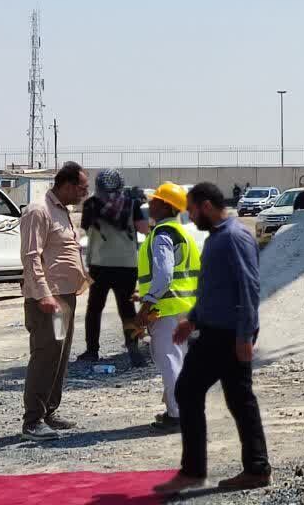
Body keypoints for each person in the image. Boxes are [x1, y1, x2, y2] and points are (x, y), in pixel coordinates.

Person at [155, 183, 271, 494]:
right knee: (236, 398)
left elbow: (249, 288)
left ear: (206, 205)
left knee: (191, 390)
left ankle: (198, 470)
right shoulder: (220, 237)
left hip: (229, 333)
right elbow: (215, 290)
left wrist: (245, 336)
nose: (190, 217)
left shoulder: (233, 237)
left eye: (191, 210)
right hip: (218, 330)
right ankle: (256, 468)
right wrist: (192, 320)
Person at [18, 161, 89, 442]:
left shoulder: (62, 211)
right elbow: (31, 256)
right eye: (82, 188)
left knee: (58, 357)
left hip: (64, 298)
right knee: (45, 355)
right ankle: (32, 420)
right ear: (68, 185)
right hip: (48, 300)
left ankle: (49, 411)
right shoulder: (39, 211)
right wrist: (44, 294)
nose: (84, 193)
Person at [132, 182, 199, 432]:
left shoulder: (162, 235)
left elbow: (164, 276)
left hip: (167, 309)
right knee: (178, 361)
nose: (150, 204)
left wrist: (146, 307)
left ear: (165, 205)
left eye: (155, 200)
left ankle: (177, 415)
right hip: (184, 307)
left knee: (169, 361)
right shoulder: (181, 233)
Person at [76, 168, 149, 366]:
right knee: (127, 309)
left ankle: (92, 351)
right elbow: (144, 229)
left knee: (94, 308)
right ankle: (134, 349)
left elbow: (86, 228)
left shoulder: (91, 204)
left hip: (99, 264)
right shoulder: (131, 204)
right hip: (127, 265)